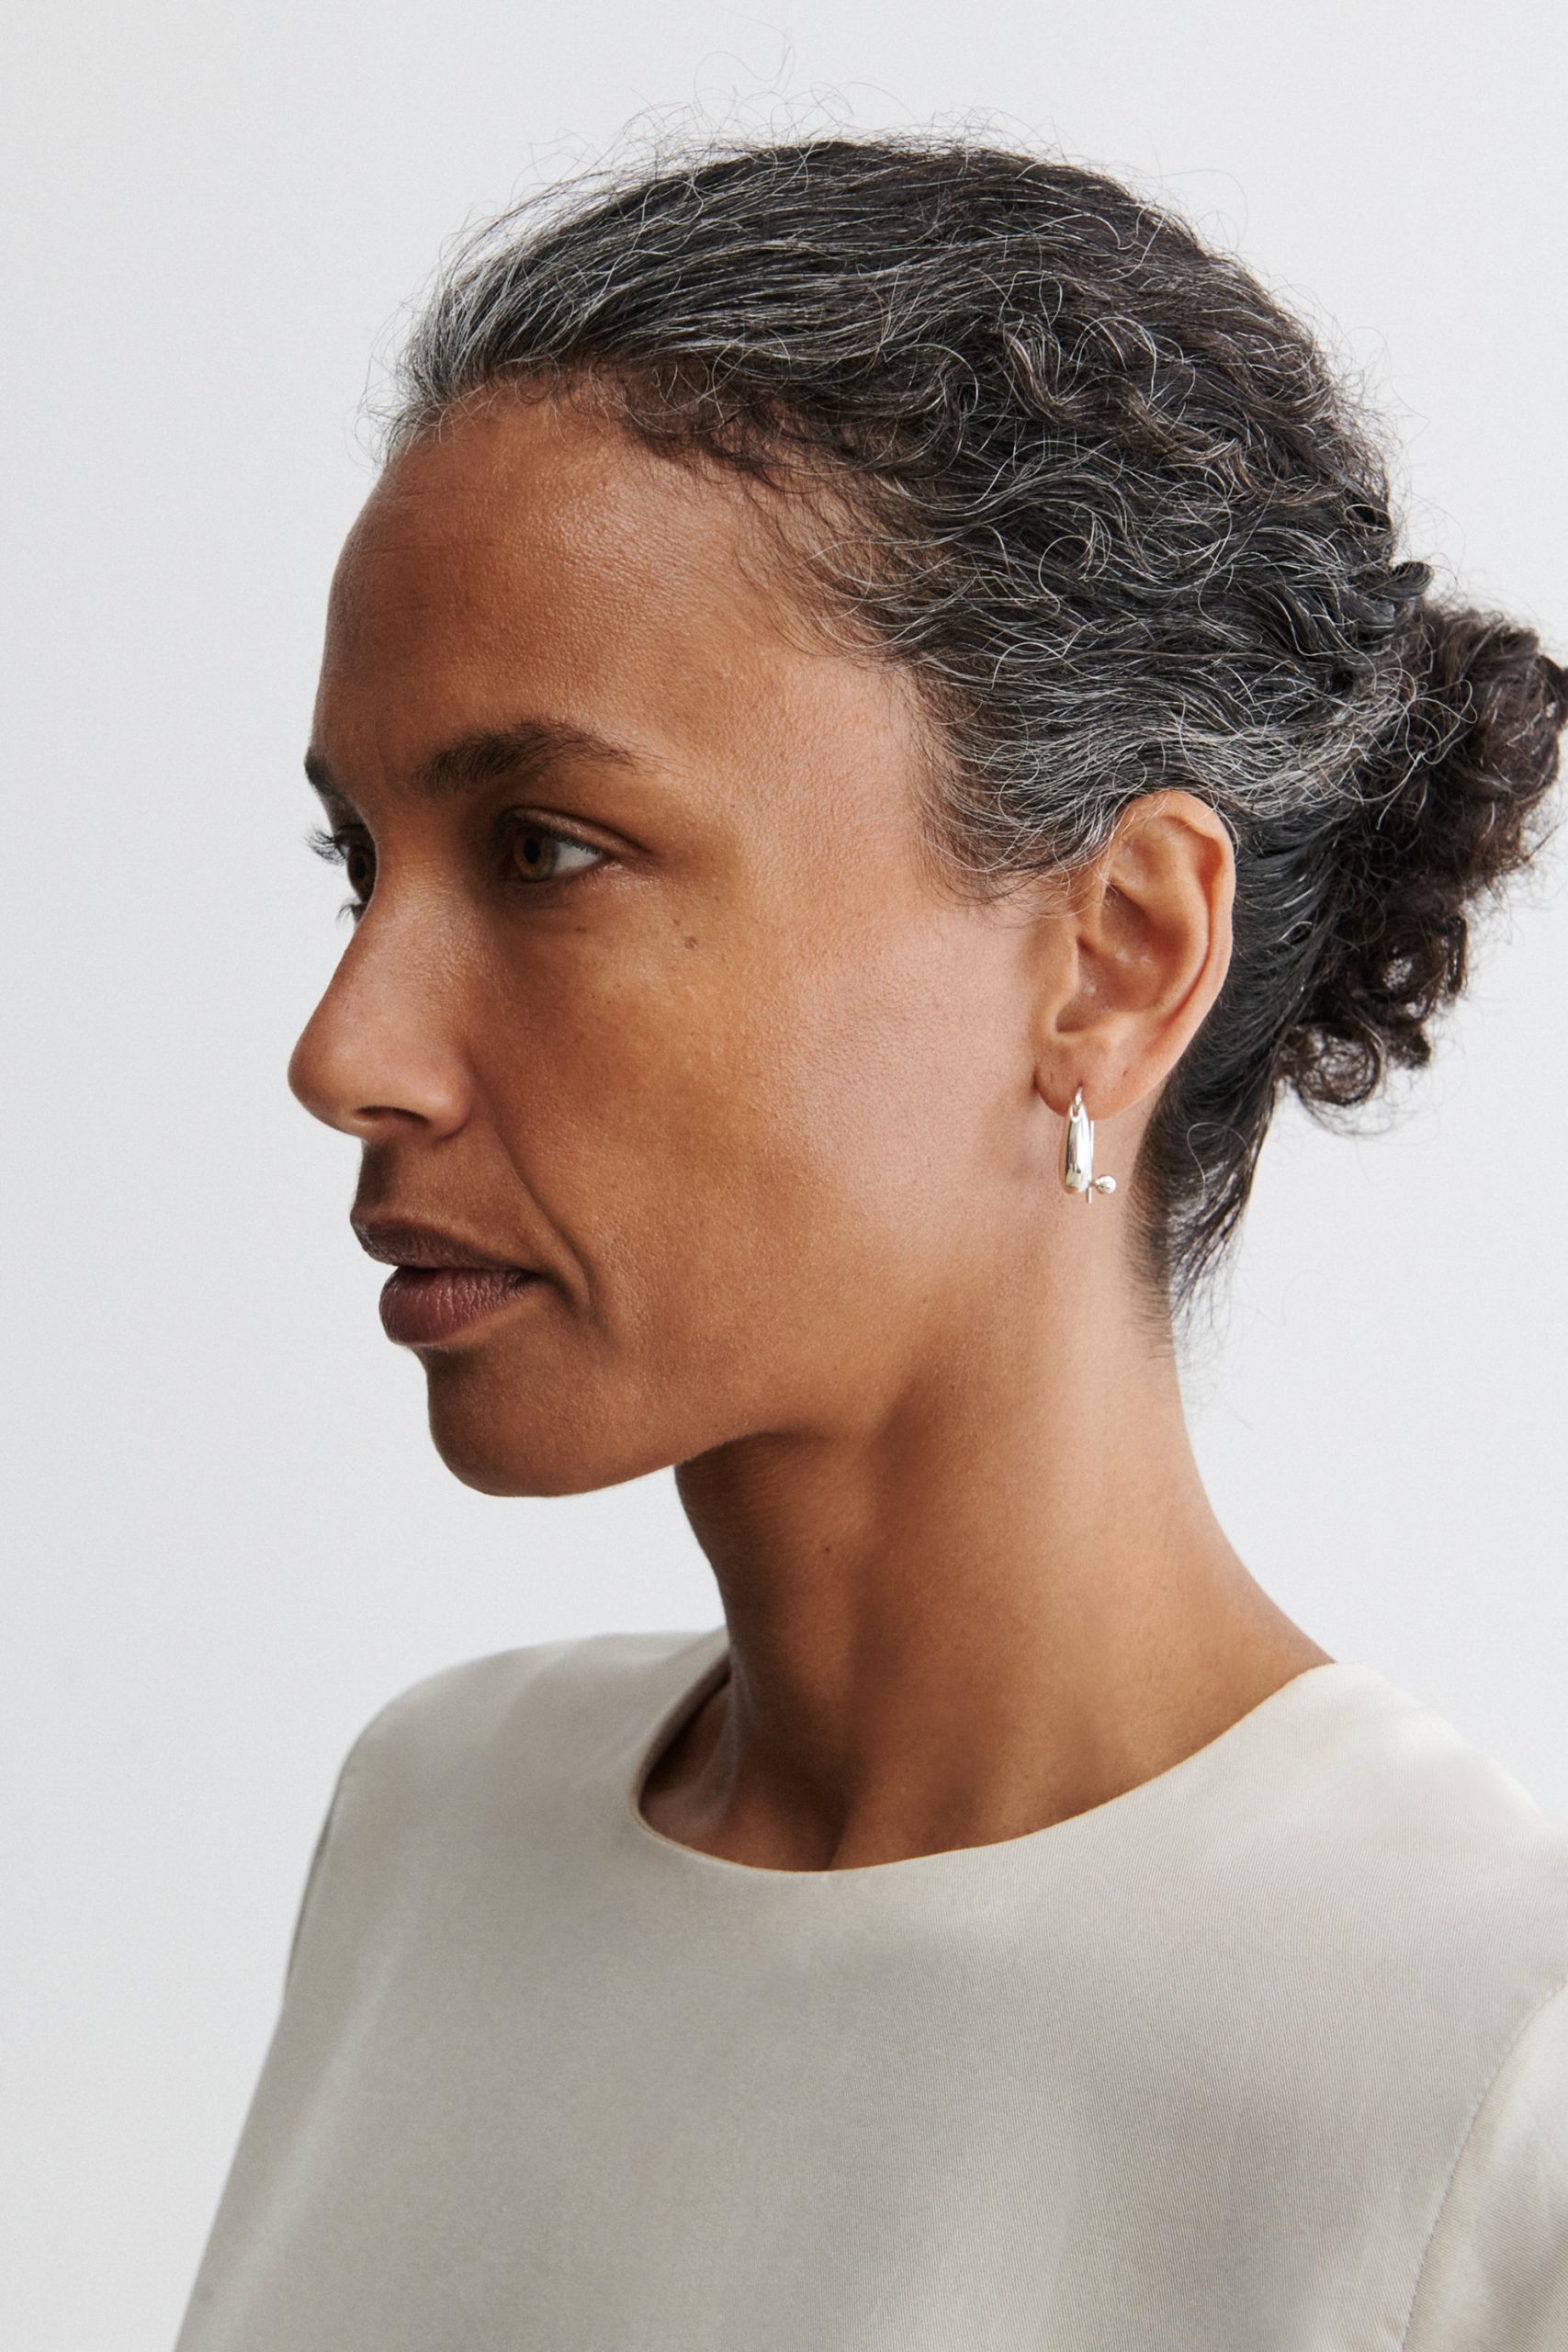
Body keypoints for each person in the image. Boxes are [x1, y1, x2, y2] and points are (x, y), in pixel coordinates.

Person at [175, 135, 1568, 2349]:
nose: (346, 1049)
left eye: (543, 849)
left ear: (1113, 953)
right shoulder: (433, 1835)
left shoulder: (1482, 2072)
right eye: (364, 863)